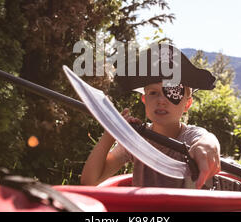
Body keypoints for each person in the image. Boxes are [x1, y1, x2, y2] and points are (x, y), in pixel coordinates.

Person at [80, 43, 221, 189]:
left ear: (187, 104)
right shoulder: (136, 139)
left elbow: (207, 141)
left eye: (171, 92)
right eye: (153, 93)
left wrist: (208, 145)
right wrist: (112, 132)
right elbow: (90, 181)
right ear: (144, 100)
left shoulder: (191, 137)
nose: (161, 100)